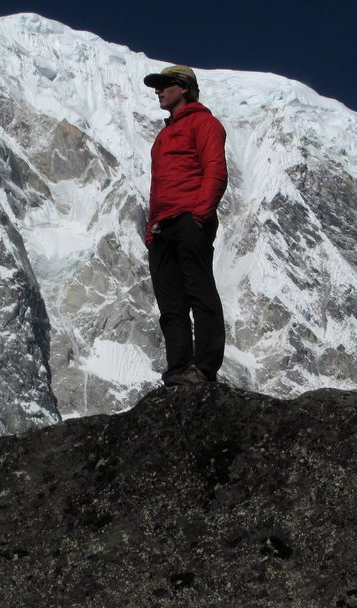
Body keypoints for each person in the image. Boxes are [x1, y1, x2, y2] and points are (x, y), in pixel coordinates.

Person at [143, 64, 228, 386]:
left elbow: (215, 170)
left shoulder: (205, 124)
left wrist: (199, 215)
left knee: (199, 292)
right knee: (171, 304)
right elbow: (157, 185)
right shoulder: (163, 136)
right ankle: (178, 369)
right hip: (162, 227)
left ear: (185, 88)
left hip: (190, 219)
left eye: (165, 85)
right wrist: (152, 227)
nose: (158, 91)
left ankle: (204, 367)